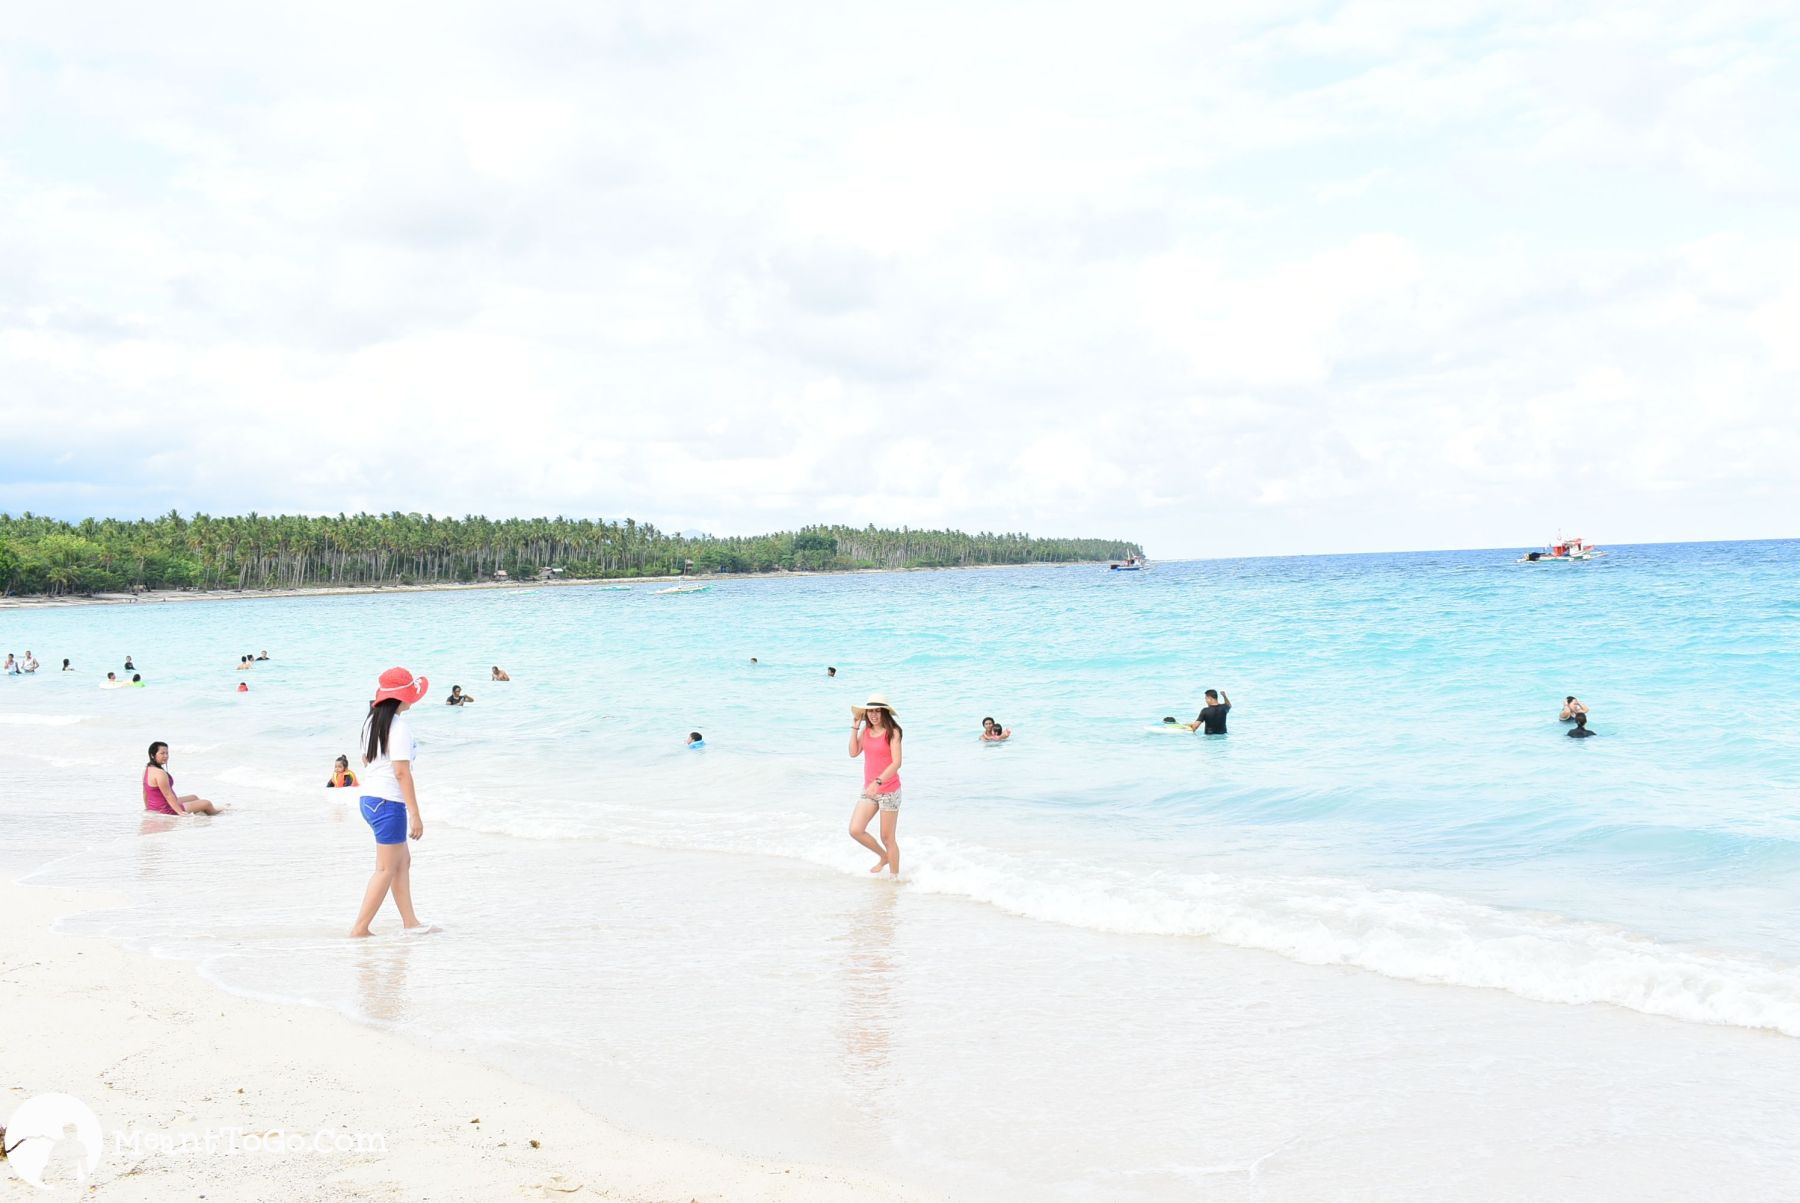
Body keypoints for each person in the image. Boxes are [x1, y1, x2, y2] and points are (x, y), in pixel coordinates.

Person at [351, 667, 430, 938]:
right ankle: (360, 929)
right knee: (386, 869)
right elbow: (400, 773)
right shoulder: (399, 728)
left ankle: (411, 922)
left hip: (369, 799)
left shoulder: (371, 722)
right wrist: (415, 814)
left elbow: (366, 760)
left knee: (402, 862)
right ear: (401, 697)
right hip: (388, 804)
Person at [848, 694, 904, 876]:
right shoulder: (866, 732)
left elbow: (896, 763)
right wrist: (855, 727)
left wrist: (878, 781)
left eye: (877, 711)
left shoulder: (893, 732)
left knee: (887, 838)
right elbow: (853, 752)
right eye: (870, 711)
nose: (873, 715)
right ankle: (884, 857)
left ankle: (894, 879)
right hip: (869, 790)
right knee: (855, 830)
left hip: (888, 791)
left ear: (884, 713)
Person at [142, 742, 221, 815]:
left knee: (194, 797)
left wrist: (148, 808)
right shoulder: (160, 773)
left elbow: (145, 792)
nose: (166, 756)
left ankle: (202, 812)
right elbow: (168, 795)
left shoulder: (147, 770)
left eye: (167, 753)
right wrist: (180, 812)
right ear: (152, 755)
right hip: (166, 809)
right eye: (162, 753)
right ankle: (218, 813)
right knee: (207, 803)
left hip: (156, 806)